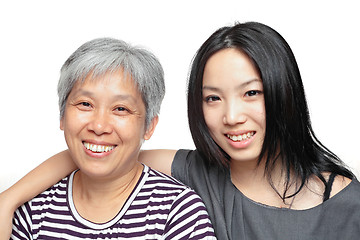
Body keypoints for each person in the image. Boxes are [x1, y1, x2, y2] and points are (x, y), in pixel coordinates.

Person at [1, 22, 360, 239]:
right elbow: (103, 151)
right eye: (212, 98)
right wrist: (8, 201)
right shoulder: (197, 172)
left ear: (285, 93)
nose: (232, 116)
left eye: (252, 93)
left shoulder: (349, 206)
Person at [6, 37, 216, 239]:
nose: (99, 126)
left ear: (149, 126)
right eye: (85, 104)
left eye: (121, 109)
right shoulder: (33, 212)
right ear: (62, 115)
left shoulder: (177, 212)